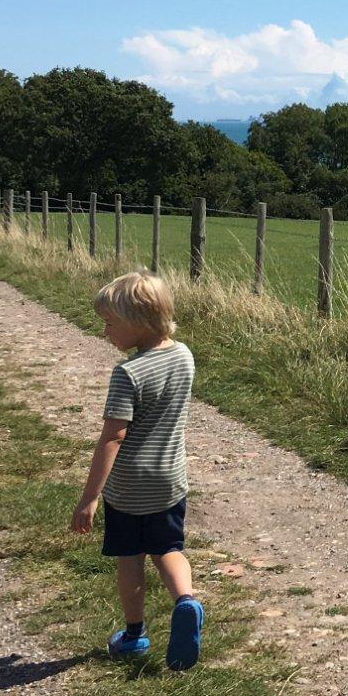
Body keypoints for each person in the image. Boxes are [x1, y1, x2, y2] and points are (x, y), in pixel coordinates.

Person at [69, 270, 204, 670]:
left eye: (110, 324)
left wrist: (90, 497)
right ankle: (187, 601)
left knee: (130, 557)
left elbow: (113, 438)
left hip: (129, 487)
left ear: (138, 323)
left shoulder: (127, 373)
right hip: (170, 480)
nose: (105, 331)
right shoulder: (184, 356)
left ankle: (133, 636)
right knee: (168, 548)